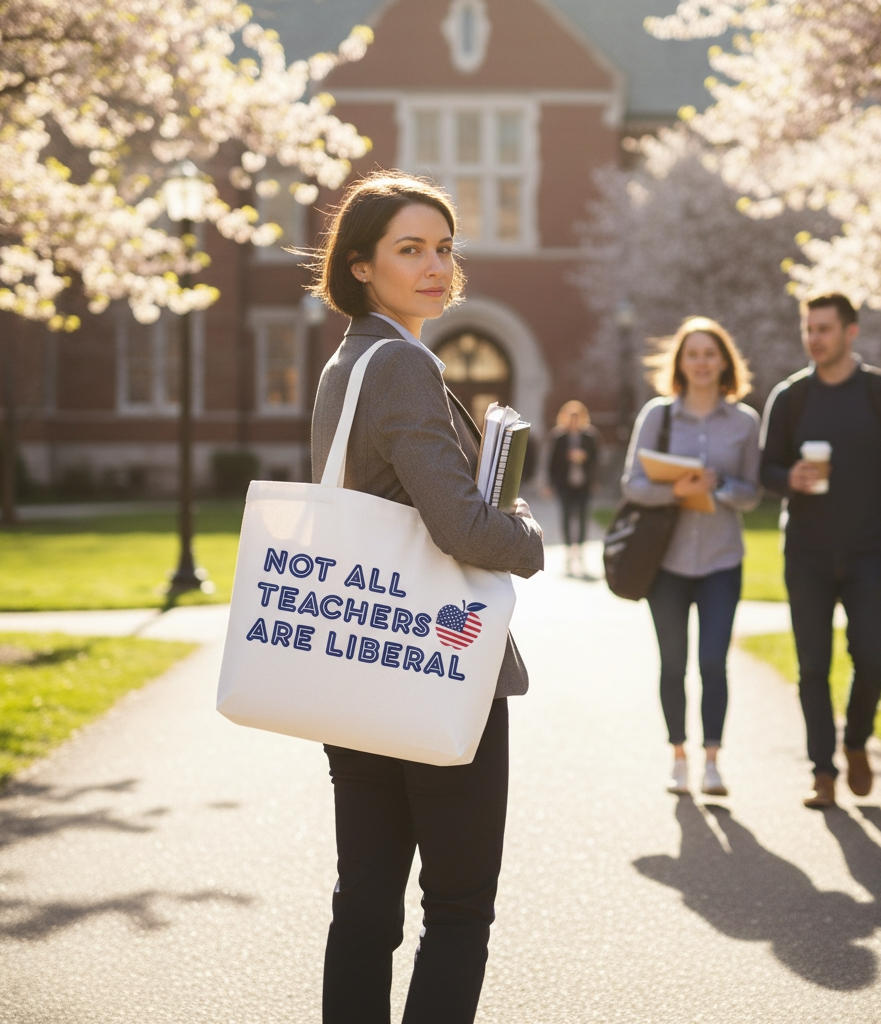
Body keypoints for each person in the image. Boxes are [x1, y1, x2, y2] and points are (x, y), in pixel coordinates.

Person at [308, 171, 544, 1024]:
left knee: (365, 907)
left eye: (444, 247)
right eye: (410, 249)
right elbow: (464, 531)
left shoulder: (348, 361)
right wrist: (525, 534)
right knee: (457, 911)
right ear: (362, 265)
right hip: (439, 666)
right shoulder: (404, 363)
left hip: (358, 667)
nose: (436, 265)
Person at [760, 293, 881, 809]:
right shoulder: (791, 397)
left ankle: (855, 742)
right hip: (805, 551)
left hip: (870, 552)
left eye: (824, 329)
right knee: (812, 666)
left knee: (871, 658)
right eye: (809, 328)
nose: (814, 338)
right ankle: (822, 771)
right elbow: (765, 470)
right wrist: (790, 478)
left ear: (851, 332)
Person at [622, 317, 761, 797]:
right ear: (680, 362)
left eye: (710, 354)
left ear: (724, 361)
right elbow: (632, 485)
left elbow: (752, 493)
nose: (701, 362)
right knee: (673, 663)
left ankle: (713, 761)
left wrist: (719, 485)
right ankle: (679, 756)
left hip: (722, 560)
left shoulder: (745, 422)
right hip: (667, 564)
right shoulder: (657, 416)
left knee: (713, 662)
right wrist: (677, 491)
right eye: (693, 354)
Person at [544, 400, 601, 576]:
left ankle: (581, 550)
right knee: (566, 515)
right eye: (571, 416)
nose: (574, 420)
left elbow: (597, 460)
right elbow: (551, 461)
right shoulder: (559, 436)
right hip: (564, 483)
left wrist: (585, 460)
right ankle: (569, 550)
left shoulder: (590, 436)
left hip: (584, 482)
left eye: (577, 416)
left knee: (583, 516)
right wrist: (549, 484)